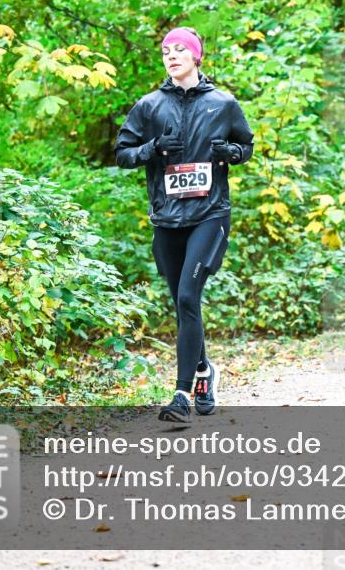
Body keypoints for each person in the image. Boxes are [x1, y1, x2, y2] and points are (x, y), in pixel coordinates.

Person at [114, 26, 255, 422]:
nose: (171, 56)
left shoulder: (223, 103)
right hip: (166, 219)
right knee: (183, 303)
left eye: (179, 50)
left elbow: (246, 146)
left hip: (210, 215)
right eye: (165, 51)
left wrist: (231, 152)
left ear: (196, 57)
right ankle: (204, 370)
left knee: (189, 297)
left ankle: (181, 396)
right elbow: (122, 154)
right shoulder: (149, 105)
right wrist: (153, 148)